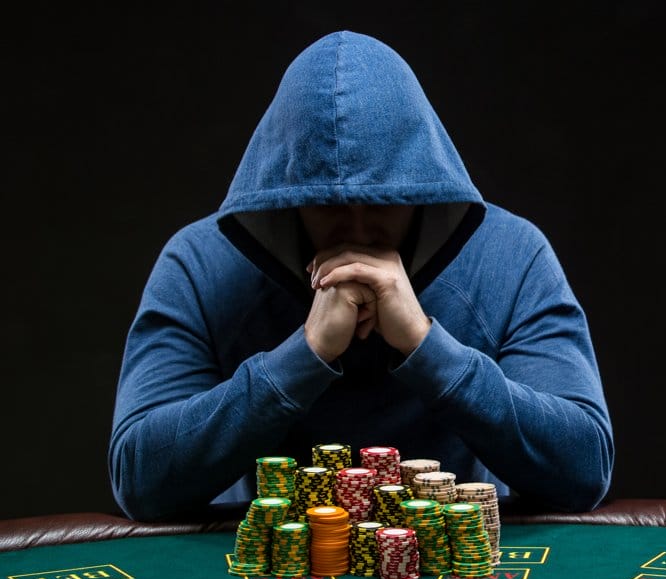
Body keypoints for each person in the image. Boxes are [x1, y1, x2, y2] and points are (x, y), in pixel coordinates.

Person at [108, 30, 614, 522]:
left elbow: (584, 470)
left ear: (421, 189)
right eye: (326, 206)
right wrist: (303, 355)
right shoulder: (199, 264)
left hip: (454, 573)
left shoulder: (512, 254)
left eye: (382, 201)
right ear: (286, 202)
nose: (355, 230)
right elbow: (139, 482)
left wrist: (424, 344)